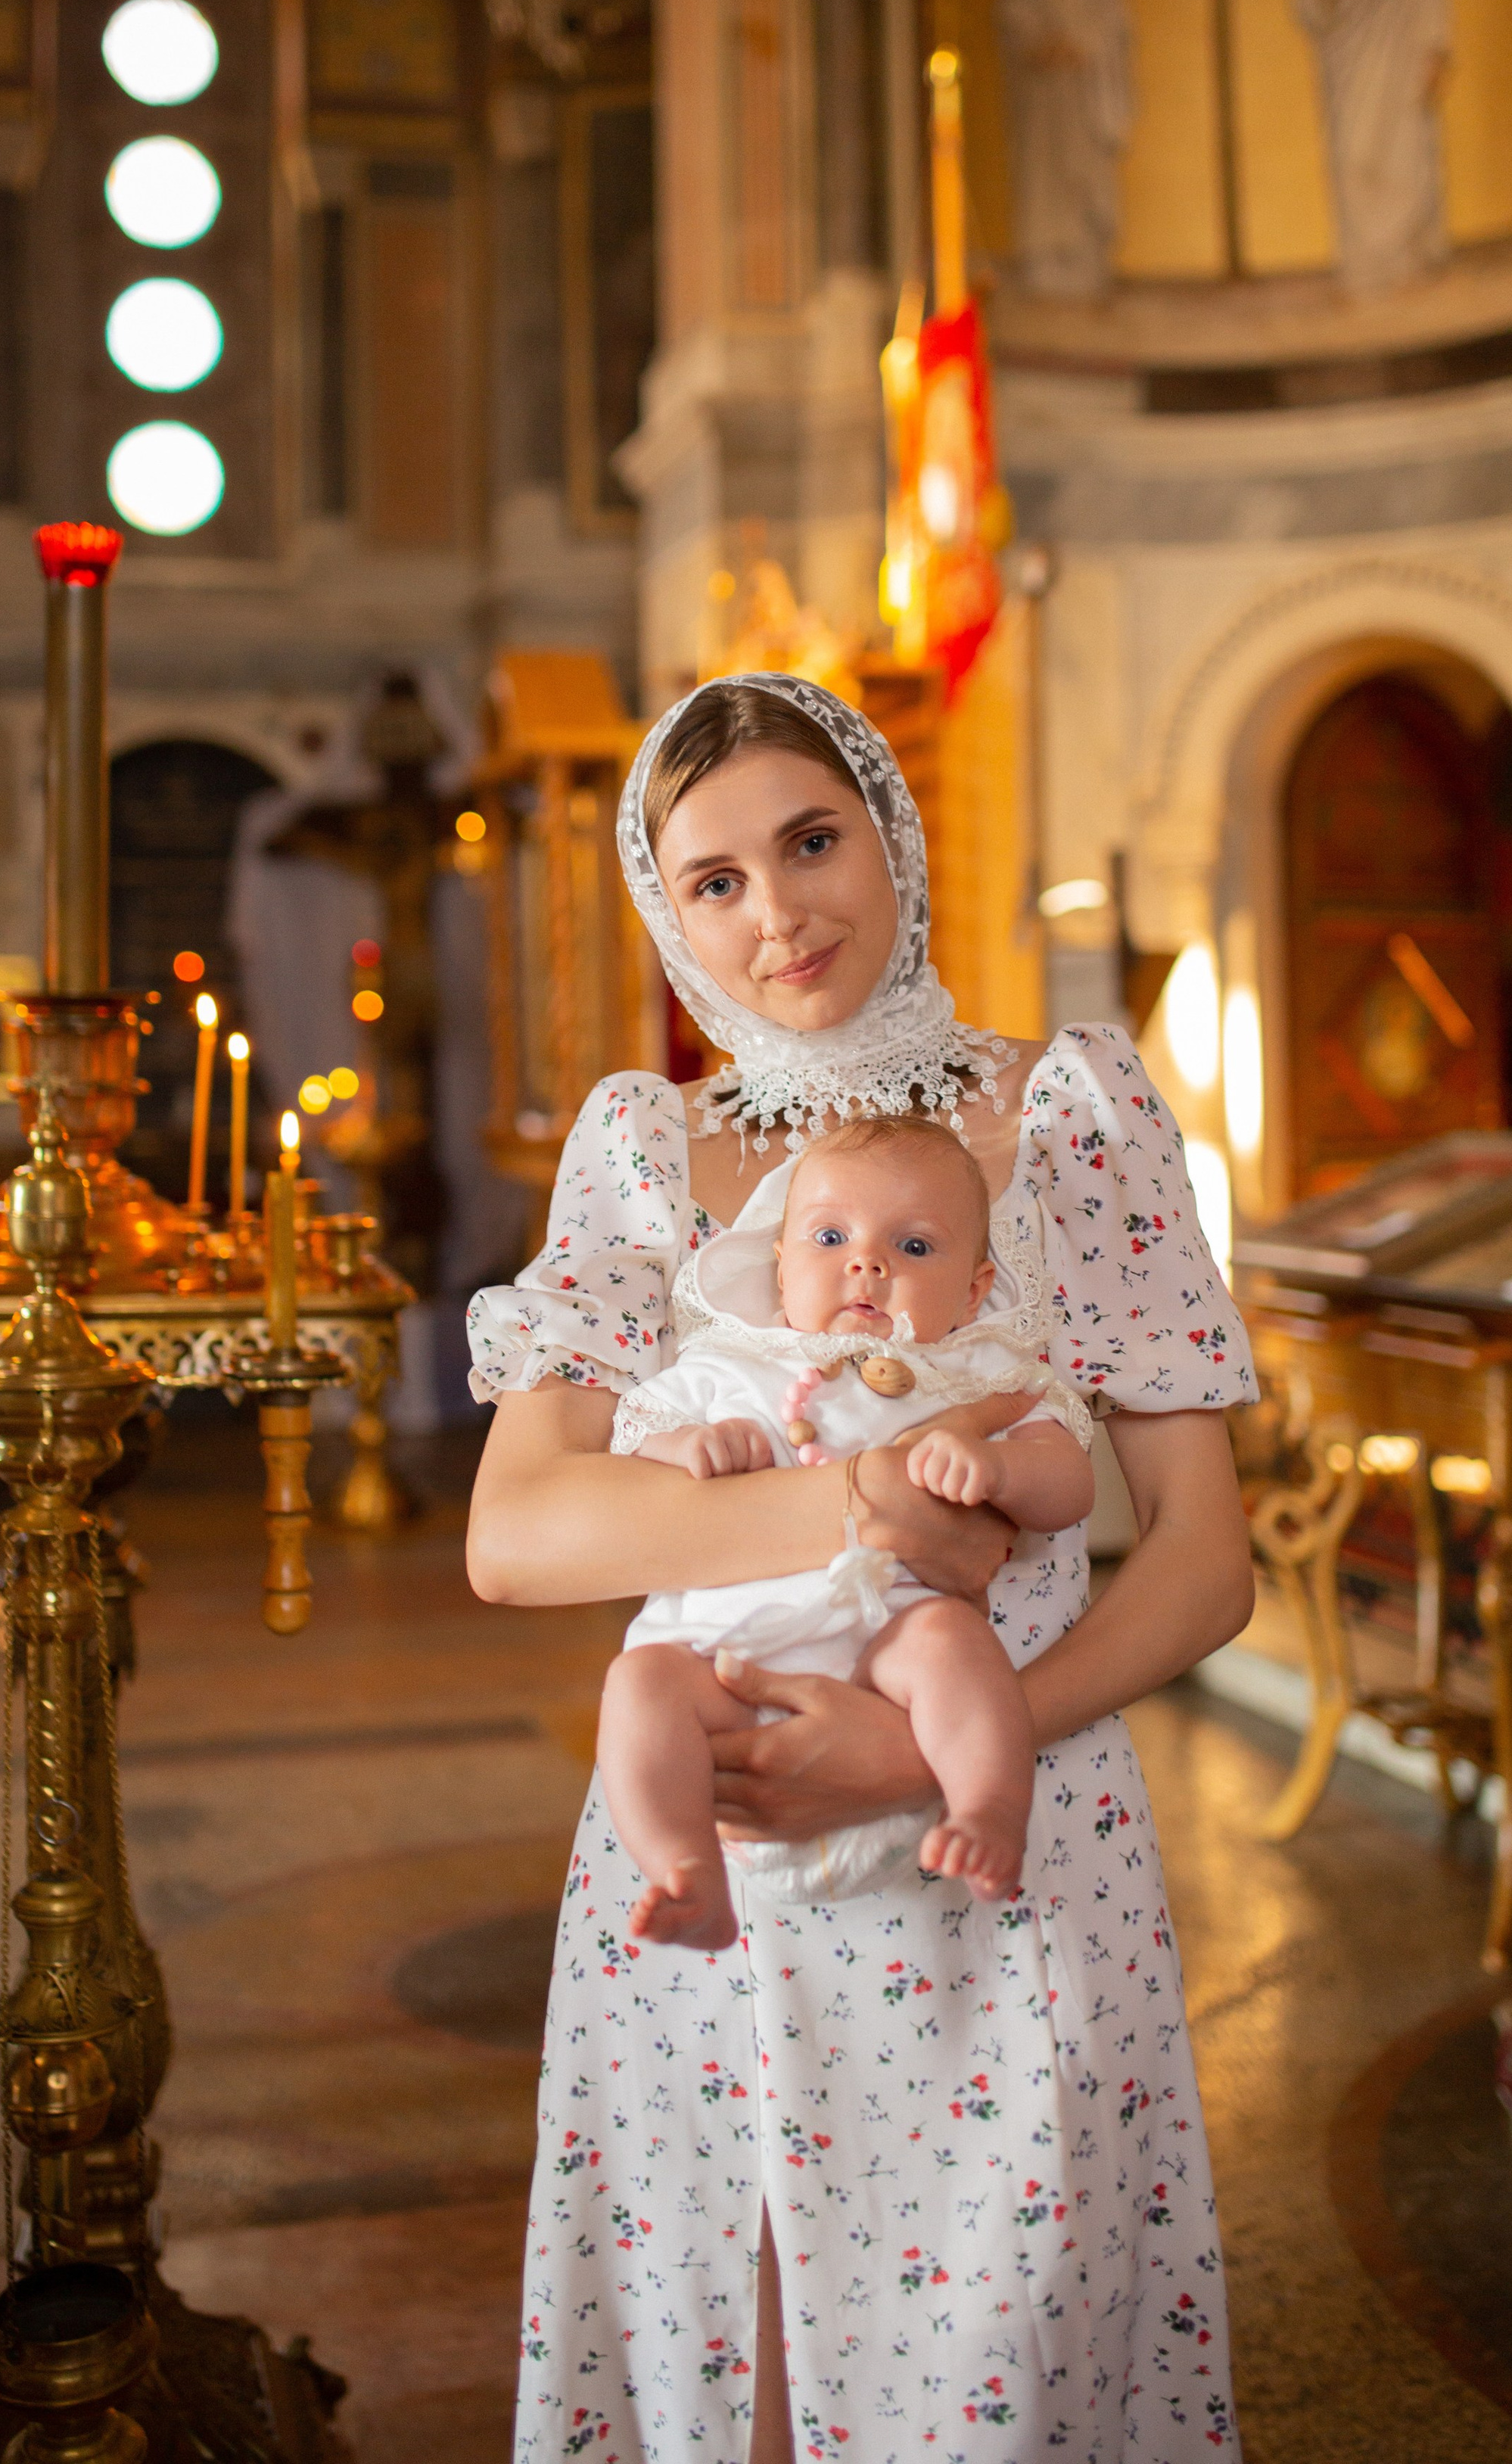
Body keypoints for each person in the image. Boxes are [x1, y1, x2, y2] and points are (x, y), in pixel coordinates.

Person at [466, 673, 1258, 2462]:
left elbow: (1203, 1562)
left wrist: (923, 1750)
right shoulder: (642, 1147)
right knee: (731, 2370)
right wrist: (870, 1500)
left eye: (811, 840)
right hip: (714, 1867)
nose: (777, 912)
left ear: (892, 836)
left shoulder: (1063, 1111)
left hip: (1010, 1844)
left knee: (997, 2372)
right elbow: (516, 1534)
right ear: (667, 911)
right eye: (714, 879)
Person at [599, 1114, 1097, 1947]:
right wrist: (686, 1447)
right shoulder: (727, 1368)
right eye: (830, 1237)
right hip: (724, 1663)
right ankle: (687, 1870)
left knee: (948, 1642)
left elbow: (1070, 1483)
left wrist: (999, 1467)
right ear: (780, 1264)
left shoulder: (974, 1375)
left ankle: (988, 1810)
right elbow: (630, 1445)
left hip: (886, 1653)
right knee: (640, 1685)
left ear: (973, 1292)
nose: (866, 1264)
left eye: (914, 1246)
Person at [1293, 0, 1452, 296]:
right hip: (1351, 68)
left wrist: (1435, 54)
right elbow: (1309, 3)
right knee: (1355, 157)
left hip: (1402, 61)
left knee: (1406, 153)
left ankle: (1408, 260)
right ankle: (1367, 266)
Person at [996, 0, 1134, 297]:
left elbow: (1113, 11)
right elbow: (1010, 6)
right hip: (1039, 82)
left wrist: (1083, 43)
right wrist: (1039, 42)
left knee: (1084, 171)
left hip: (1084, 80)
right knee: (1043, 175)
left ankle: (1087, 261)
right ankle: (1043, 262)